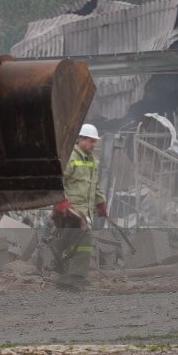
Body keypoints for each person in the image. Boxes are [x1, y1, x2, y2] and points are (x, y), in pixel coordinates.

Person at [50, 123, 109, 290]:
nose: (93, 145)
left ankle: (65, 276)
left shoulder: (92, 161)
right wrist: (62, 203)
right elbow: (58, 181)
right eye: (90, 141)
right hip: (70, 210)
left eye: (94, 141)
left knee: (73, 243)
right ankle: (74, 276)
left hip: (85, 210)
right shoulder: (71, 158)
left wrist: (101, 203)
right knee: (83, 240)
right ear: (81, 139)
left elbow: (95, 186)